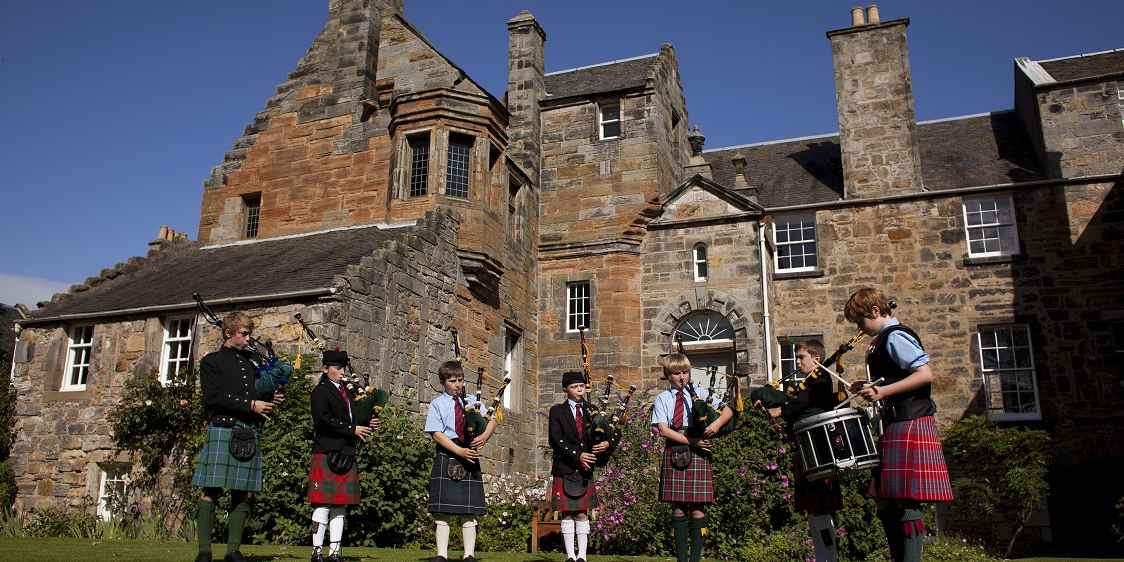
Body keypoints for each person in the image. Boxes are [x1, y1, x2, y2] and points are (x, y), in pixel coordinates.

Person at [845, 288, 954, 562]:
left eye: (861, 321)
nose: (860, 329)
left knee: (905, 499)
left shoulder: (895, 336)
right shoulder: (881, 340)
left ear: (874, 311)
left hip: (910, 421)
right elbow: (895, 377)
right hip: (896, 423)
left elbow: (925, 375)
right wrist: (869, 386)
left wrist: (882, 392)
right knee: (887, 498)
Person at [192, 312, 283, 562]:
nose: (248, 338)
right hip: (223, 428)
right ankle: (204, 551)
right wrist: (250, 404)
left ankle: (233, 551)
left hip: (248, 429)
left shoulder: (252, 363)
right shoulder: (212, 362)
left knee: (243, 492)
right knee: (211, 490)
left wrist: (269, 398)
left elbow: (256, 392)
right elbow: (213, 398)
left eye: (249, 333)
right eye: (244, 333)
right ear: (228, 333)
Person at [651, 353, 734, 562]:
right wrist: (692, 442)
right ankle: (682, 559)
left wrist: (716, 425)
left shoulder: (701, 393)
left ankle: (695, 559)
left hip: (699, 453)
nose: (682, 377)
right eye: (676, 373)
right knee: (678, 508)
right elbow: (664, 430)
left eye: (685, 372)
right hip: (676, 450)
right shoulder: (662, 398)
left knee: (698, 508)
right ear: (668, 375)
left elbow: (728, 411)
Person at [769, 339, 843, 562]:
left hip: (818, 450)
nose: (798, 362)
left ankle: (828, 558)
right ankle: (823, 556)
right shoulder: (810, 382)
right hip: (808, 449)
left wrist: (780, 410)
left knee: (820, 507)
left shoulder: (820, 381)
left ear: (816, 358)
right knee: (814, 509)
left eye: (801, 357)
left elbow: (800, 403)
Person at [307, 349, 379, 562]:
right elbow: (322, 420)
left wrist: (368, 423)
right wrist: (352, 429)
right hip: (326, 451)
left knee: (340, 505)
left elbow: (354, 419)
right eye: (337, 368)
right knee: (322, 503)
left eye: (343, 368)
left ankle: (335, 552)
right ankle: (317, 551)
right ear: (325, 369)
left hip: (346, 451)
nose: (341, 372)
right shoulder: (320, 391)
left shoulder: (348, 393)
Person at [424, 361, 497, 562]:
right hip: (448, 451)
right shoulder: (437, 404)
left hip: (469, 454)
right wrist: (458, 451)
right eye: (452, 381)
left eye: (460, 380)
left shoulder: (472, 401)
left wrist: (484, 436)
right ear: (442, 382)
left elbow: (492, 420)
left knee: (469, 511)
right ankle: (441, 554)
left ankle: (469, 555)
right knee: (442, 510)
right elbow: (436, 433)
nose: (457, 384)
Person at [548, 371, 615, 562]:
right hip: (564, 467)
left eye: (582, 386)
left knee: (581, 513)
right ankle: (570, 556)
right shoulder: (557, 411)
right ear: (565, 389)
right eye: (574, 386)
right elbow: (555, 439)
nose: (579, 389)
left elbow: (609, 433)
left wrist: (607, 443)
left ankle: (582, 557)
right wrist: (578, 455)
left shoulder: (592, 411)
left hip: (585, 470)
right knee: (567, 514)